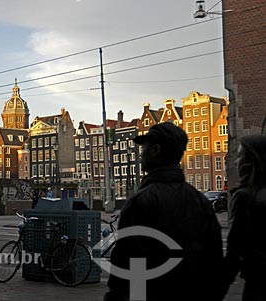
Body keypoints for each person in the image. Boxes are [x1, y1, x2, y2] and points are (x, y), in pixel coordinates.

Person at [104, 122, 223, 301]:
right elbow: (214, 260)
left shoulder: (140, 202)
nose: (141, 153)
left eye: (144, 147)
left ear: (155, 150)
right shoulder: (200, 200)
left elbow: (130, 267)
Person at [221, 135, 266, 300]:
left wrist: (217, 289)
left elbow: (235, 251)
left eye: (239, 156)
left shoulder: (245, 198)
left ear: (250, 162)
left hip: (258, 284)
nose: (235, 162)